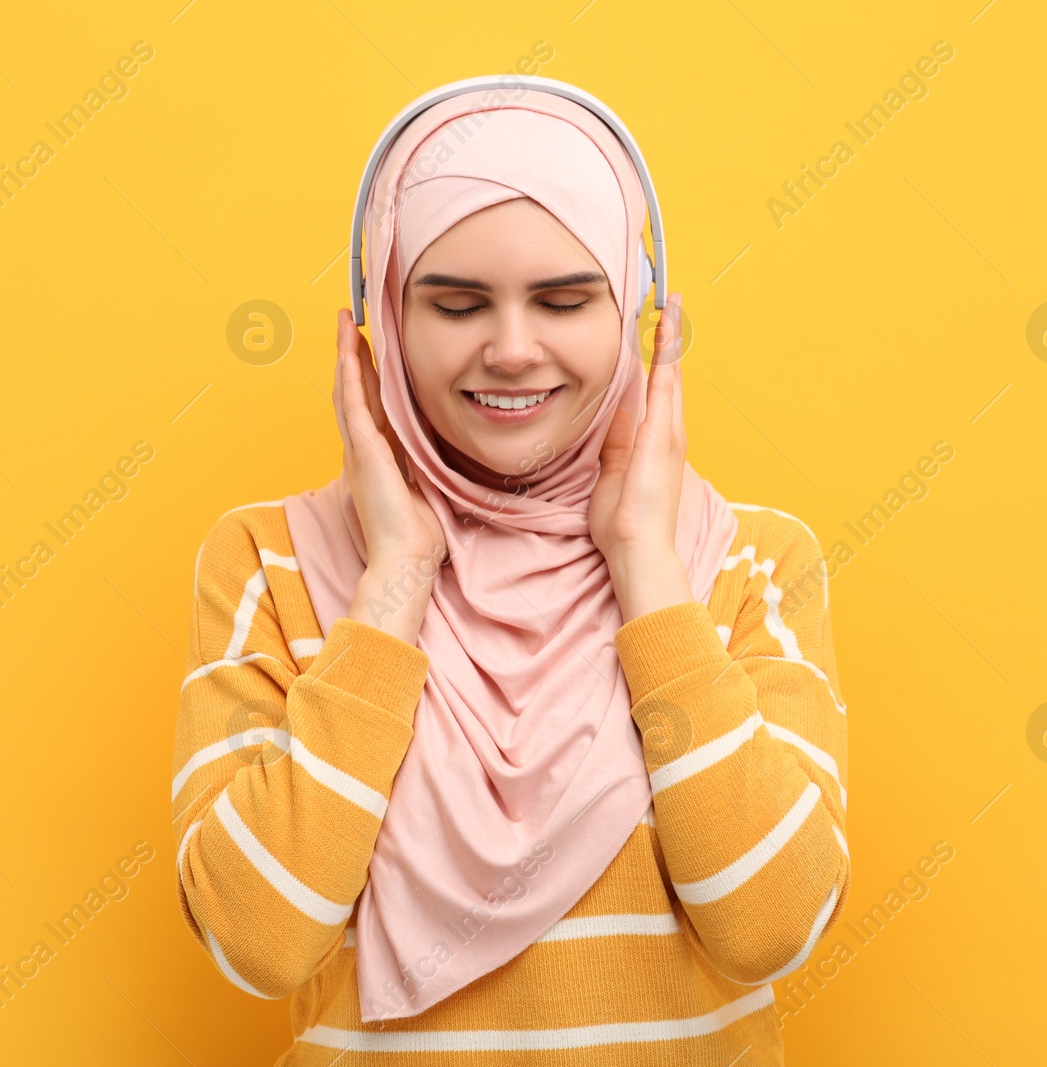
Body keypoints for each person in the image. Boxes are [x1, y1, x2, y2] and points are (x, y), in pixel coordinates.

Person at [173, 81, 850, 1065]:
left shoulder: (748, 561)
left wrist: (645, 565)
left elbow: (769, 925)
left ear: (638, 313)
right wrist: (395, 575)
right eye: (453, 302)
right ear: (379, 325)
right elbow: (259, 942)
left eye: (566, 298)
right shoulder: (268, 560)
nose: (512, 348)